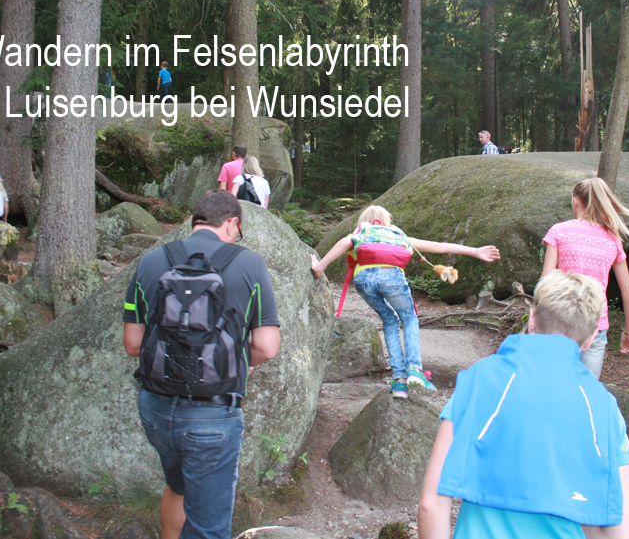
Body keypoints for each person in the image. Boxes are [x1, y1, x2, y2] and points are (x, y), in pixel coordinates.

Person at [418, 270, 629, 539]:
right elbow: (620, 533)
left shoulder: (479, 380)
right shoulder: (604, 407)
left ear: (532, 319)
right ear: (591, 337)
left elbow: (432, 506)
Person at [123, 190, 280, 539]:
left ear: (195, 221)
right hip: (213, 416)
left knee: (177, 487)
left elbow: (133, 344)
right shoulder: (249, 264)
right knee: (208, 526)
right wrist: (235, 361)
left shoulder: (150, 261)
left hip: (156, 409)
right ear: (233, 223)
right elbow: (267, 348)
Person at [311, 205, 501, 398]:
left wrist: (320, 267)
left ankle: (400, 381)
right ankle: (414, 369)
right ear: (387, 221)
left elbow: (344, 242)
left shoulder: (362, 232)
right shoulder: (398, 235)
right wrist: (476, 251)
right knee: (409, 319)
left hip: (363, 281)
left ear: (364, 220)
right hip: (391, 277)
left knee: (389, 321)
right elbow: (439, 246)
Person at [541, 177, 629, 379]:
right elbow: (628, 294)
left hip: (561, 321)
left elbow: (545, 282)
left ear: (576, 201)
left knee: (556, 384)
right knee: (587, 391)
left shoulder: (559, 231)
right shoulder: (612, 239)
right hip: (595, 324)